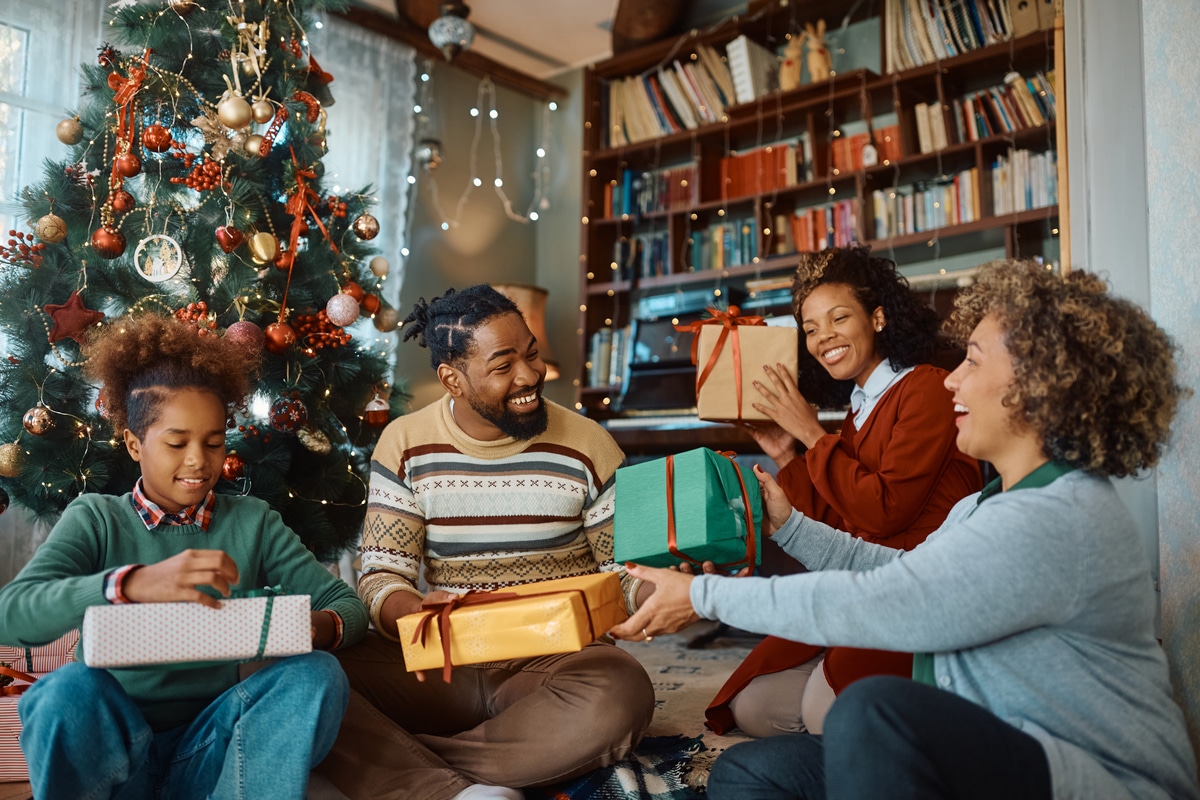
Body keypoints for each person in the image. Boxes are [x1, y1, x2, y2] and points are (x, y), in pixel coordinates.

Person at [611, 260, 1199, 800]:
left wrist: (702, 596)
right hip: (983, 752)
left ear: (1037, 385)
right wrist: (786, 523)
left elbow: (887, 601)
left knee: (870, 713)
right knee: (748, 772)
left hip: (1091, 779)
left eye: (971, 361)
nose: (950, 381)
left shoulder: (1060, 516)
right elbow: (892, 568)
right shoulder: (986, 506)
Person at [0, 313, 367, 799]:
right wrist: (127, 585)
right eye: (177, 443)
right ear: (134, 444)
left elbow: (348, 606)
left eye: (214, 443)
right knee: (63, 692)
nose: (199, 460)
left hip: (213, 749)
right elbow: (11, 614)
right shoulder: (96, 518)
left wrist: (299, 627)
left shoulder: (252, 522)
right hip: (116, 755)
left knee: (317, 674)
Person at [316, 285, 655, 800]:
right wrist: (414, 611)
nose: (529, 376)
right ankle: (470, 778)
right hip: (443, 653)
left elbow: (625, 573)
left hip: (554, 659)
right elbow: (382, 576)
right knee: (307, 673)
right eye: (503, 365)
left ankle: (415, 773)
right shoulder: (405, 443)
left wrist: (664, 592)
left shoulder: (589, 444)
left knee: (621, 694)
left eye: (532, 354)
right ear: (452, 378)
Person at [706, 245, 981, 737]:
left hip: (911, 594)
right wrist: (789, 451)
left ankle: (882, 717)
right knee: (750, 707)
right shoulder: (858, 411)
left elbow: (883, 513)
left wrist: (814, 435)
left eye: (838, 318)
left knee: (819, 711)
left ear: (877, 318)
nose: (822, 337)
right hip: (854, 583)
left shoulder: (927, 388)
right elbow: (837, 525)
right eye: (810, 328)